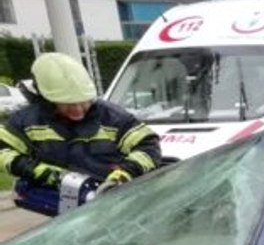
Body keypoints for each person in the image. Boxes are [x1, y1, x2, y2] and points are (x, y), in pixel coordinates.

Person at [0, 53, 160, 194]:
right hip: (57, 207)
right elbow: (3, 150)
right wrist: (37, 171)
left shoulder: (113, 118)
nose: (78, 111)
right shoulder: (26, 121)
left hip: (110, 202)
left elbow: (148, 146)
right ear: (46, 99)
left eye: (84, 102)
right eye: (67, 104)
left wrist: (124, 174)